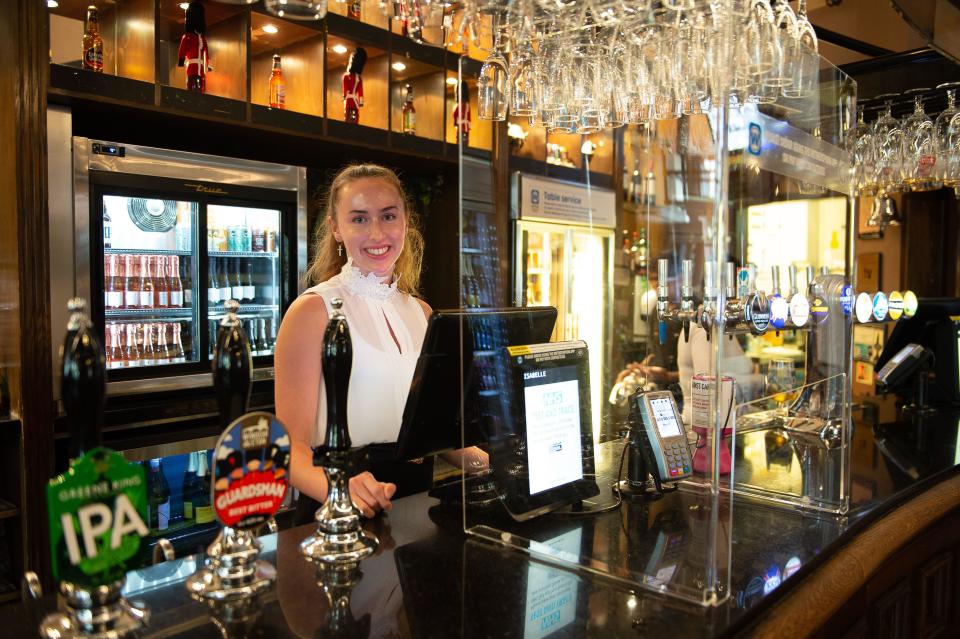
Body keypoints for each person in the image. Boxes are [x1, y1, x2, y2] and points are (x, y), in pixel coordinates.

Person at [275, 164, 485, 523]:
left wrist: (492, 460)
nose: (377, 232)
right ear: (336, 229)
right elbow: (287, 449)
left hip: (417, 507)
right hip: (339, 511)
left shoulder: (422, 312)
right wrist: (341, 491)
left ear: (405, 222)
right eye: (359, 219)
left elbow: (433, 434)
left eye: (388, 216)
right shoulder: (313, 310)